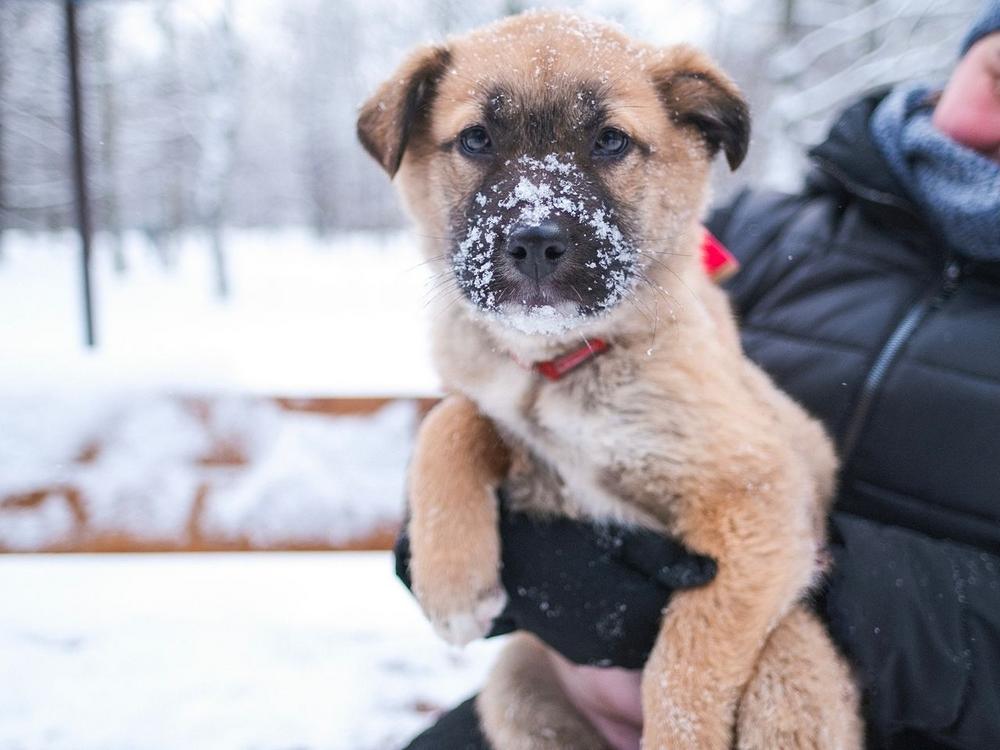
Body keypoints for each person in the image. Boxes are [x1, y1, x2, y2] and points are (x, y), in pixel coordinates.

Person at [395, 4, 1000, 748]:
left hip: (852, 700)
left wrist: (848, 590)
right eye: (998, 79)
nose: (539, 222)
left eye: (609, 142)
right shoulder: (758, 231)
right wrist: (468, 526)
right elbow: (518, 396)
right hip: (578, 679)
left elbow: (755, 506)